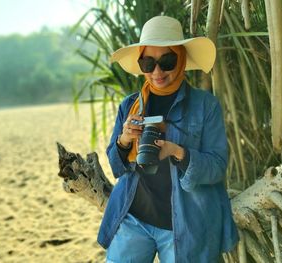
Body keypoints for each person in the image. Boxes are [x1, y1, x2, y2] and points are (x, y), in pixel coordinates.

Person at [97, 16, 239, 263]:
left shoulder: (206, 106)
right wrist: (123, 140)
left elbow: (217, 167)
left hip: (186, 225)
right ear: (141, 63)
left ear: (181, 58)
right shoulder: (130, 105)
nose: (157, 72)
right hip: (134, 218)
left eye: (167, 61)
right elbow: (117, 167)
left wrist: (178, 152)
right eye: (148, 63)